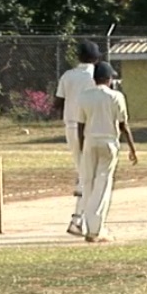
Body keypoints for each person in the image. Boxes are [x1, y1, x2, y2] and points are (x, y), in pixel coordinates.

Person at [75, 61, 139, 243]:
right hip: (108, 142)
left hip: (90, 142)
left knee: (88, 183)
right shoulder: (116, 96)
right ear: (109, 79)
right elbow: (123, 125)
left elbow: (80, 126)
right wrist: (132, 149)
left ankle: (87, 225)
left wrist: (82, 147)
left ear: (94, 79)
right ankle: (95, 230)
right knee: (102, 184)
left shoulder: (84, 96)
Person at [54, 41, 100, 235]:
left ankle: (80, 219)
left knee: (84, 171)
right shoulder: (97, 75)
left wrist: (71, 105)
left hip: (70, 127)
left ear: (78, 56)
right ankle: (78, 220)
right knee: (89, 174)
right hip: (89, 128)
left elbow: (57, 103)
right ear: (96, 58)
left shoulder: (68, 75)